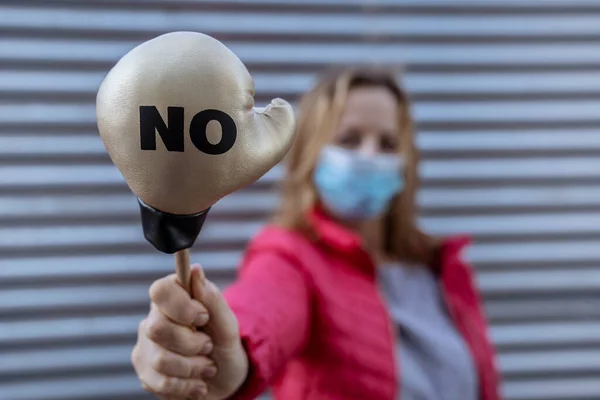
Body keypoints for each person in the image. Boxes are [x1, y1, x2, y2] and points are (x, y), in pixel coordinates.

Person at [131, 67, 502, 400]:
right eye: (349, 139)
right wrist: (224, 354)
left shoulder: (440, 266)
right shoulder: (290, 257)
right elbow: (263, 309)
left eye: (388, 144)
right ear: (311, 151)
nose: (369, 156)